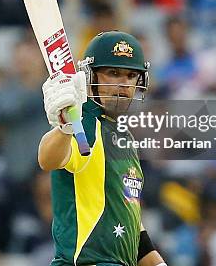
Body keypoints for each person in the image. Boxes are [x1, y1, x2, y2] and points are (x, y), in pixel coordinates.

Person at [38, 31, 166, 266]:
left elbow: (131, 225)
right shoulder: (85, 120)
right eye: (113, 73)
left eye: (131, 75)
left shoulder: (123, 135)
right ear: (90, 76)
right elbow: (48, 159)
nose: (123, 84)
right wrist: (64, 128)